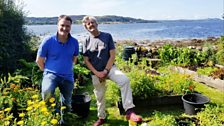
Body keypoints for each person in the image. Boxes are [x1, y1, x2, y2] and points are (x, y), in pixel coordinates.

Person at [82, 16, 142, 126]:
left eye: (92, 22)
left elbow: (112, 55)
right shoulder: (86, 41)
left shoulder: (107, 36)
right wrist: (97, 73)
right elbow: (86, 61)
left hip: (109, 69)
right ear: (86, 27)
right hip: (96, 72)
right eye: (88, 24)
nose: (91, 24)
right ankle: (102, 117)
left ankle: (129, 110)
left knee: (124, 80)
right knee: (99, 96)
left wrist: (105, 71)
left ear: (97, 24)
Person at [36, 15, 79, 124]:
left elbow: (74, 58)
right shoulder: (48, 41)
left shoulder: (74, 42)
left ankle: (65, 121)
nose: (65, 28)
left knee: (67, 102)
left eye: (67, 26)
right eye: (62, 25)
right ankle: (54, 117)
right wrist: (46, 71)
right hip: (51, 75)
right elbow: (39, 60)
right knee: (47, 93)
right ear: (57, 25)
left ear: (71, 27)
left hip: (68, 76)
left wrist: (67, 67)